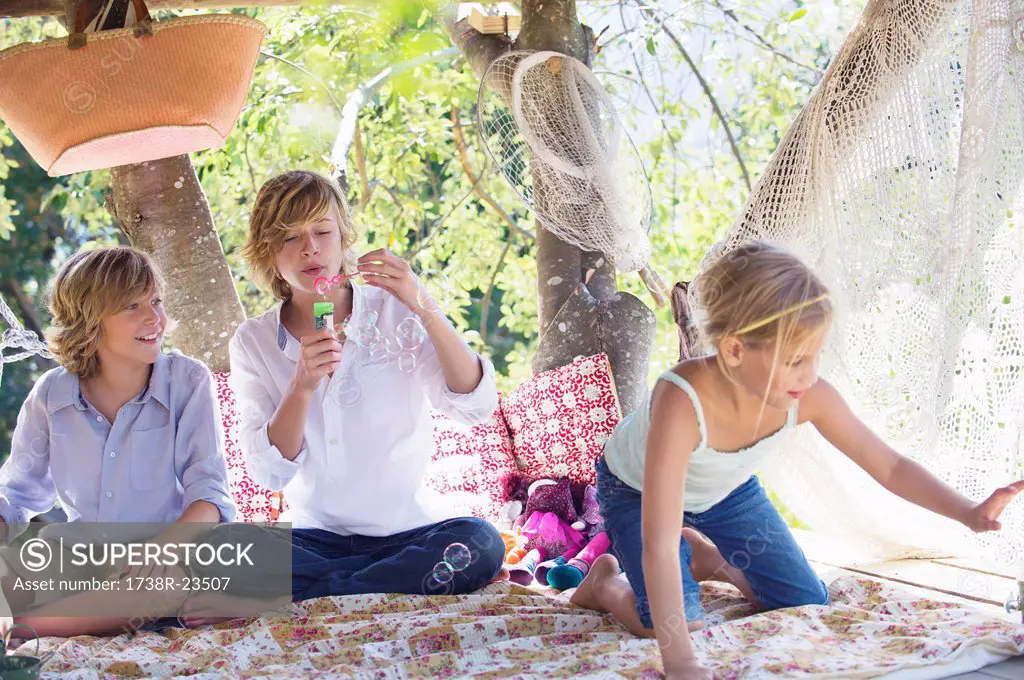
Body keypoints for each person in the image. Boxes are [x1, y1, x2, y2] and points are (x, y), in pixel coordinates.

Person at [569, 241, 1024, 679]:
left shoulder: (809, 395)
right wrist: (682, 661)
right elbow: (661, 544)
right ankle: (606, 584)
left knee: (804, 598)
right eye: (794, 360)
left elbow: (889, 466)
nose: (809, 375)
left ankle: (711, 561)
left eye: (815, 357)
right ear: (733, 349)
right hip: (636, 489)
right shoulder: (681, 399)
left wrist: (967, 511)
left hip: (726, 490)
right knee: (672, 624)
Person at [227, 170, 504, 604]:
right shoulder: (253, 341)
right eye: (290, 237)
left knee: (483, 543)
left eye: (322, 231)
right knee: (229, 556)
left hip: (407, 533)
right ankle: (374, 585)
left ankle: (328, 592)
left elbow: (475, 406)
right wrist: (301, 386)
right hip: (313, 539)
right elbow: (268, 474)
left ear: (343, 239)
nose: (310, 248)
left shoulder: (395, 309)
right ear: (267, 253)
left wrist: (423, 305)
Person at [0, 246, 236, 636]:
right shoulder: (50, 395)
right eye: (131, 305)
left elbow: (209, 493)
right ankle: (51, 618)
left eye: (156, 301)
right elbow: (18, 495)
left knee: (160, 586)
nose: (154, 318)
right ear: (90, 320)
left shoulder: (188, 381)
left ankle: (24, 630)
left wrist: (163, 549)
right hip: (79, 563)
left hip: (166, 560)